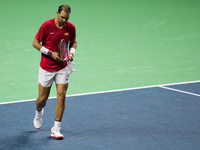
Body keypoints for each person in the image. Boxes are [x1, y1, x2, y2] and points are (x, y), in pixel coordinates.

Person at [32, 5, 77, 139]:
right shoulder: (47, 25)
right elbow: (35, 43)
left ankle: (56, 128)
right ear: (57, 13)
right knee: (42, 99)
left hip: (62, 67)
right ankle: (39, 112)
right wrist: (49, 53)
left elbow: (73, 42)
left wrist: (71, 52)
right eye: (62, 17)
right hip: (46, 67)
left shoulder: (71, 27)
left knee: (62, 96)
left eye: (67, 18)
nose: (64, 20)